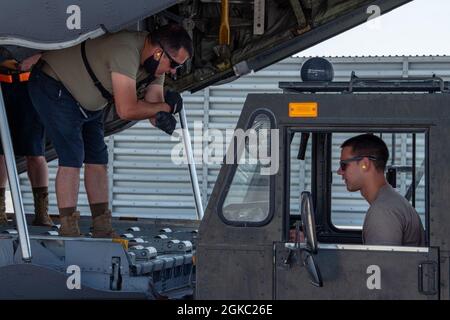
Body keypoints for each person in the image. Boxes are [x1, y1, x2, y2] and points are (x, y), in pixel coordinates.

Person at [27, 24, 193, 237]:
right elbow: (126, 109)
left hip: (91, 101)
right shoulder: (125, 51)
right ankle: (68, 228)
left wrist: (163, 115)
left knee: (98, 159)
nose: (173, 71)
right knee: (72, 157)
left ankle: (102, 226)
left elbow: (153, 107)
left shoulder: (154, 65)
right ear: (158, 52)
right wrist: (164, 108)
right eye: (174, 65)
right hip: (55, 86)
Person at [337, 134, 425, 246]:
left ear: (365, 164)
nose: (339, 171)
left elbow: (382, 263)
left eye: (344, 165)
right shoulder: (389, 203)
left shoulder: (382, 212)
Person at [0, 47, 53, 226]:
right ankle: (0, 210)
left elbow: (59, 44)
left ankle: (42, 212)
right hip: (1, 86)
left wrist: (38, 56)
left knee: (36, 152)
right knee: (0, 153)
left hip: (30, 87)